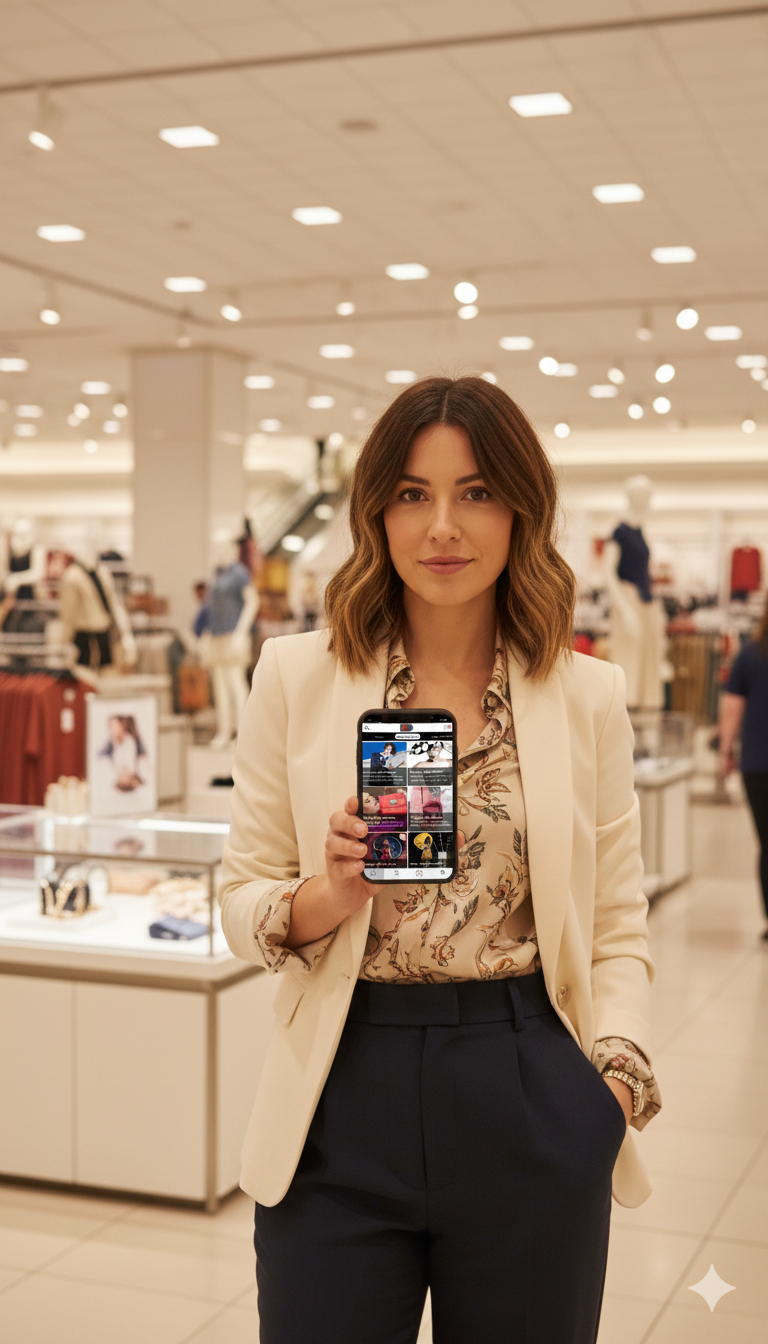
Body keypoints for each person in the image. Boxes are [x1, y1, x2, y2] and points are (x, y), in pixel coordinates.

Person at [219, 375, 661, 1344]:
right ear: (375, 511)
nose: (443, 527)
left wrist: (612, 1087)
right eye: (413, 494)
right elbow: (241, 893)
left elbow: (620, 920)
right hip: (340, 1090)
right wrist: (324, 895)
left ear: (520, 508)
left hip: (527, 1083)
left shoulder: (583, 694)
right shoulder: (298, 676)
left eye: (477, 492)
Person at [719, 594, 768, 939]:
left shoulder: (751, 653)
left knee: (766, 844)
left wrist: (725, 751)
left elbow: (732, 708)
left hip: (757, 763)